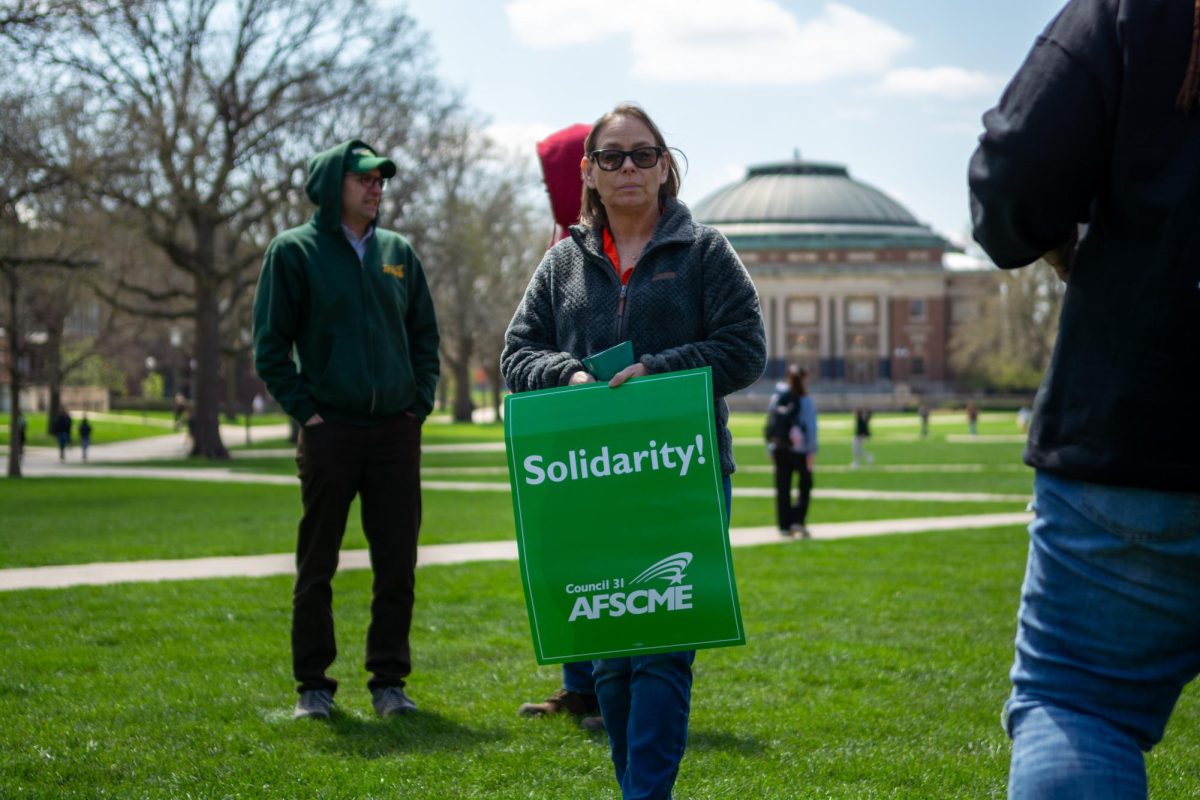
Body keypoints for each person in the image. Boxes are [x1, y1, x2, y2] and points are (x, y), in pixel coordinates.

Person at [501, 103, 766, 800]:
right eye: (611, 156)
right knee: (613, 660)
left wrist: (661, 369)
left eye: (642, 155)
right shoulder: (563, 262)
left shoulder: (704, 251)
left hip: (682, 477)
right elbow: (516, 354)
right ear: (587, 171)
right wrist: (571, 374)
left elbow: (745, 350)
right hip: (591, 484)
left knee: (663, 651)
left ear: (664, 165)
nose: (627, 168)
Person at [969, 1, 1200, 797]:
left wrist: (1057, 240)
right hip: (1132, 441)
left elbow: (1013, 170)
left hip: (1136, 433)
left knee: (1080, 706)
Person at [253, 139, 440, 721]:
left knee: (396, 562)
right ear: (333, 183)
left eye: (381, 178)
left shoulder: (398, 252)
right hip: (330, 431)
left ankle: (389, 684)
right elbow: (270, 346)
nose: (375, 186)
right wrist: (307, 411)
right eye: (363, 178)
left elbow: (424, 338)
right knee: (317, 564)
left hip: (394, 432)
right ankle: (314, 687)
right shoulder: (294, 253)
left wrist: (419, 404)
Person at [516, 122, 603, 732]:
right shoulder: (560, 254)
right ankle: (581, 684)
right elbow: (523, 346)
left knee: (608, 561)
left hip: (613, 438)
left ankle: (608, 690)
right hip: (563, 436)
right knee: (566, 562)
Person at [765, 365, 818, 538]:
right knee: (805, 484)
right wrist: (812, 450)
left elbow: (770, 424)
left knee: (783, 488)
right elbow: (810, 428)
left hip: (780, 447)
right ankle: (798, 519)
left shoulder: (777, 398)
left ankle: (784, 526)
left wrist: (771, 447)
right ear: (804, 379)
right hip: (800, 450)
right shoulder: (805, 400)